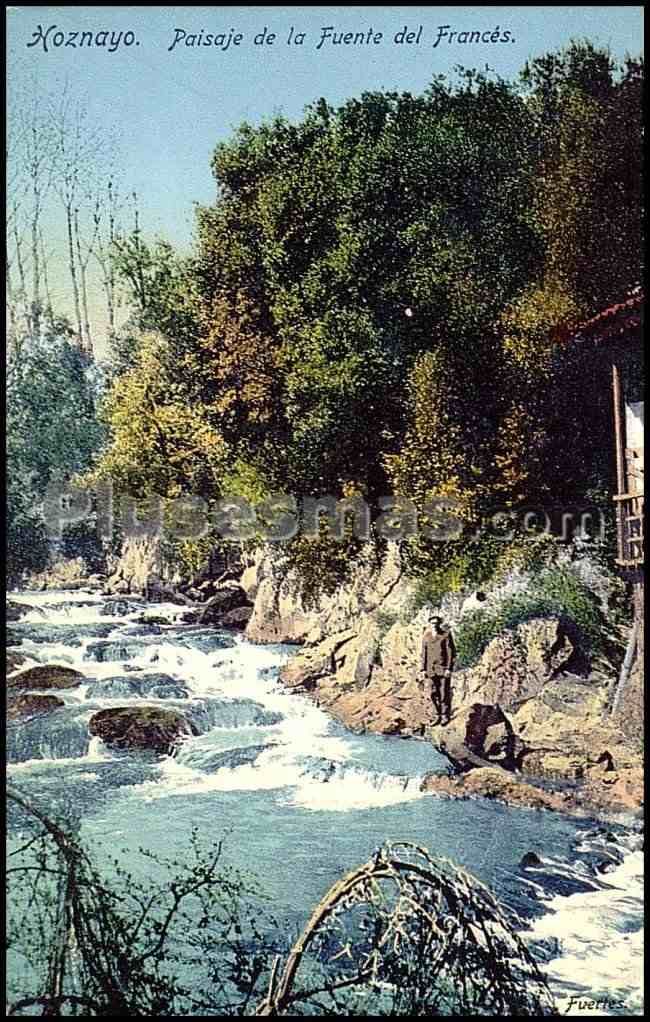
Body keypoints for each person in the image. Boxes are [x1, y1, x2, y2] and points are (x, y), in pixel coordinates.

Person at [420, 613, 456, 726]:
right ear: (429, 624)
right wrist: (423, 669)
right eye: (432, 623)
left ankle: (445, 715)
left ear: (440, 624)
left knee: (444, 692)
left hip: (443, 669)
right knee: (432, 693)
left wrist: (449, 668)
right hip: (430, 669)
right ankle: (437, 715)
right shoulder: (426, 637)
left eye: (436, 623)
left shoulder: (445, 635)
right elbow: (424, 653)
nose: (434, 625)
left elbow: (451, 653)